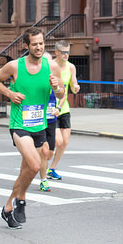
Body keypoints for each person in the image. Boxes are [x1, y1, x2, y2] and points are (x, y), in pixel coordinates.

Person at [0, 28, 64, 229]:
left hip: (39, 124)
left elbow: (61, 93)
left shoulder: (52, 67)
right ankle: (21, 200)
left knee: (25, 172)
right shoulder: (15, 66)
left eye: (41, 43)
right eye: (34, 44)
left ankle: (7, 209)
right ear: (26, 46)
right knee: (33, 165)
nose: (38, 47)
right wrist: (9, 94)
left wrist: (57, 87)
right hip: (19, 124)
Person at [46, 40, 80, 180]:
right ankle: (42, 162)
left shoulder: (71, 67)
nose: (66, 55)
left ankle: (51, 168)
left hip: (64, 107)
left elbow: (73, 84)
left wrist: (76, 87)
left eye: (68, 52)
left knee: (64, 142)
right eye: (63, 52)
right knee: (58, 141)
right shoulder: (50, 66)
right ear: (56, 52)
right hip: (50, 108)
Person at [39, 52, 59, 192]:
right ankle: (43, 180)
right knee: (44, 151)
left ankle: (40, 166)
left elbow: (62, 94)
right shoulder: (37, 79)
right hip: (39, 120)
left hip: (52, 118)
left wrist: (58, 107)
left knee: (50, 152)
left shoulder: (55, 79)